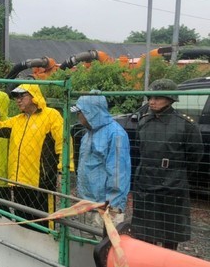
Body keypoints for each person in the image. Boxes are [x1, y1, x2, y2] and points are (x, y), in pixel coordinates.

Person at [131, 78, 203, 250]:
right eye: (150, 97)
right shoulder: (143, 123)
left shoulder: (185, 125)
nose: (152, 101)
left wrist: (176, 175)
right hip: (146, 186)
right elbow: (139, 150)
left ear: (170, 99)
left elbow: (195, 155)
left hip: (172, 187)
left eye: (157, 98)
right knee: (146, 236)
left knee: (170, 237)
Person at [0, 83, 70, 225]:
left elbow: (64, 143)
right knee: (22, 222)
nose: (18, 100)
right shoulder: (18, 120)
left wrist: (64, 170)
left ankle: (45, 246)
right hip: (18, 182)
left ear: (34, 96)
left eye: (22, 96)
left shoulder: (51, 116)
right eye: (16, 97)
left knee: (43, 222)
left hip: (40, 183)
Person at [72, 93, 131, 228]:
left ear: (90, 112)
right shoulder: (87, 134)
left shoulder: (115, 134)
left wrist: (113, 206)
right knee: (86, 244)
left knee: (103, 246)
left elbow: (118, 174)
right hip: (86, 203)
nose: (78, 116)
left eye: (80, 112)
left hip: (105, 208)